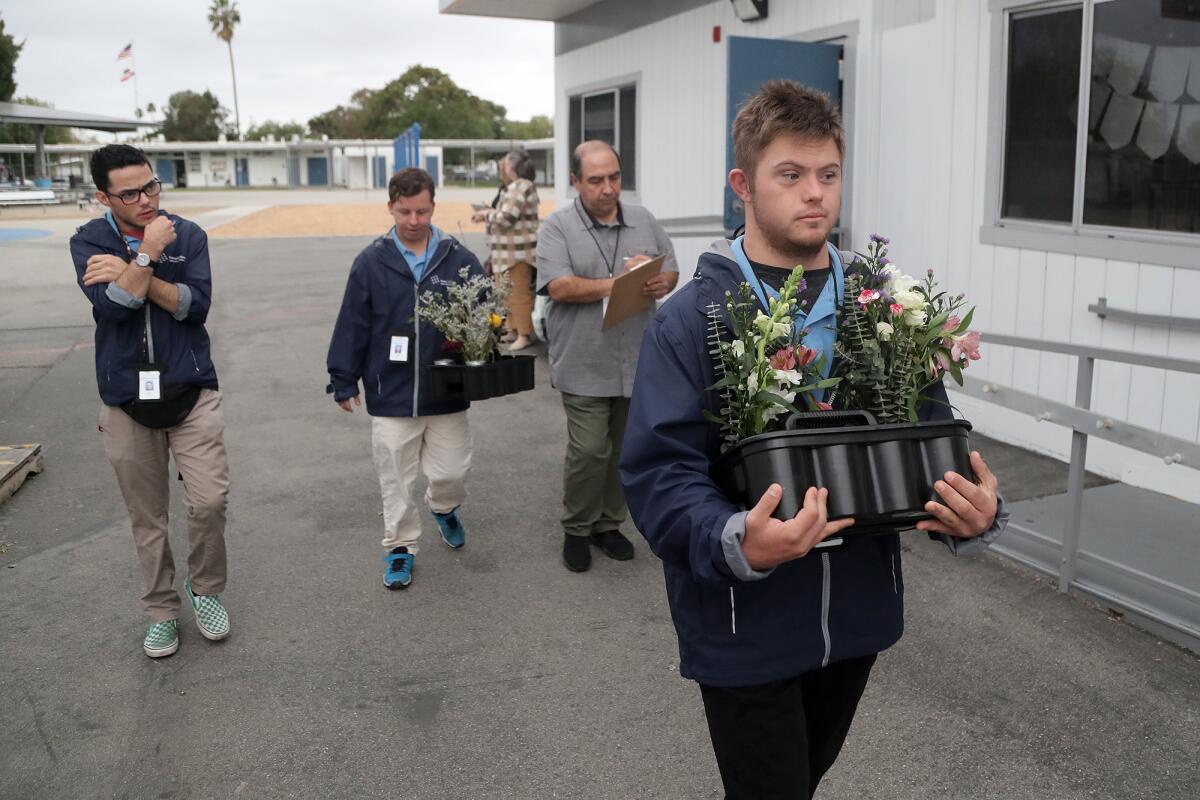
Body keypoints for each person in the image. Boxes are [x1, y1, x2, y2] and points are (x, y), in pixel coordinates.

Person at [619, 81, 1009, 798]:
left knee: (803, 780)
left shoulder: (881, 306)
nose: (814, 194)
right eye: (790, 175)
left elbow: (927, 431)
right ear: (743, 184)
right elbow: (660, 474)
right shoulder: (693, 318)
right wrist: (735, 538)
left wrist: (974, 512)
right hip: (744, 624)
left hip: (856, 621)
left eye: (828, 174)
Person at [70, 144, 231, 659]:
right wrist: (145, 255)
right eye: (130, 192)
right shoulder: (88, 241)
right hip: (125, 400)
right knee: (148, 517)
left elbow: (193, 306)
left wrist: (135, 270)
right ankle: (161, 610)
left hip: (190, 390)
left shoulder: (190, 234)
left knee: (208, 501)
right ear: (103, 196)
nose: (146, 199)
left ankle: (204, 590)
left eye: (151, 186)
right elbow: (115, 307)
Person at [326, 168, 485, 590]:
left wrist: (483, 336)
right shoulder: (371, 261)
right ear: (390, 206)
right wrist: (343, 378)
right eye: (405, 211)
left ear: (434, 206)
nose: (414, 220)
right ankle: (400, 547)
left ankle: (443, 506)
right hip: (389, 390)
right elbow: (353, 324)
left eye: (422, 210)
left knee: (451, 471)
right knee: (395, 475)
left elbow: (483, 314)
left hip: (446, 389)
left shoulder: (458, 257)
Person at [535, 141, 679, 572]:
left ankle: (608, 524)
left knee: (624, 449)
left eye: (614, 177)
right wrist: (617, 284)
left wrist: (659, 283)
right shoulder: (557, 227)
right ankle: (576, 528)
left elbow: (669, 268)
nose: (608, 188)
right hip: (584, 359)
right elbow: (557, 286)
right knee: (590, 449)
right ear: (575, 181)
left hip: (636, 356)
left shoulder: (643, 219)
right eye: (595, 180)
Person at [472, 149, 540, 351]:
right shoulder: (517, 186)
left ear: (510, 166)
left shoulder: (521, 186)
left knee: (518, 295)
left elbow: (506, 217)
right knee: (506, 295)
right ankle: (514, 329)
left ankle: (525, 334)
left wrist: (486, 214)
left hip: (517, 254)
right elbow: (505, 213)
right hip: (506, 253)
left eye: (505, 163)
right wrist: (491, 211)